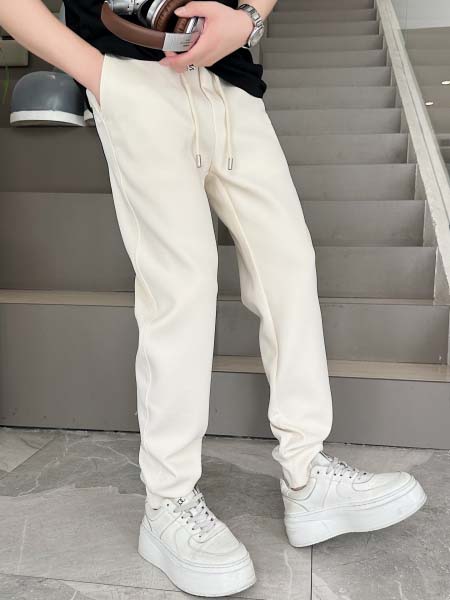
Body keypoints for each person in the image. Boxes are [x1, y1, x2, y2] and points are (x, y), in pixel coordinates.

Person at [1, 1, 428, 597]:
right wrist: (101, 75)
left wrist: (248, 17)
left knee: (289, 266)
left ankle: (308, 475)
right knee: (182, 286)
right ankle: (168, 503)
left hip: (232, 79)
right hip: (134, 75)